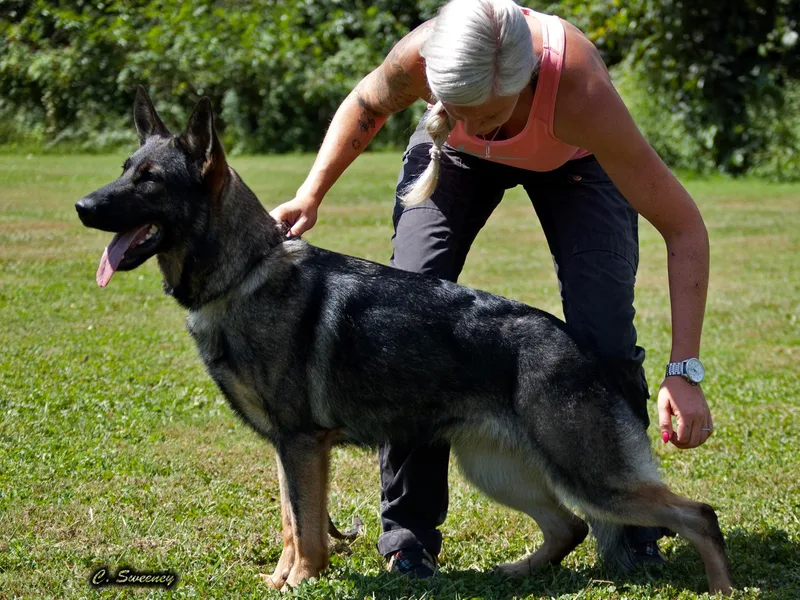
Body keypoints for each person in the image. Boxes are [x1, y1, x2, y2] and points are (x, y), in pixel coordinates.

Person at [270, 0, 714, 578]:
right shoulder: (424, 55)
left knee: (602, 333)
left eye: (490, 117)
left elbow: (683, 227)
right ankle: (409, 537)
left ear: (527, 82)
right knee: (408, 329)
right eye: (456, 109)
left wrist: (685, 371)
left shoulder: (578, 89)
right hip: (450, 163)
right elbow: (366, 105)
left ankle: (633, 528)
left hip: (573, 165)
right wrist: (311, 191)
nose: (479, 127)